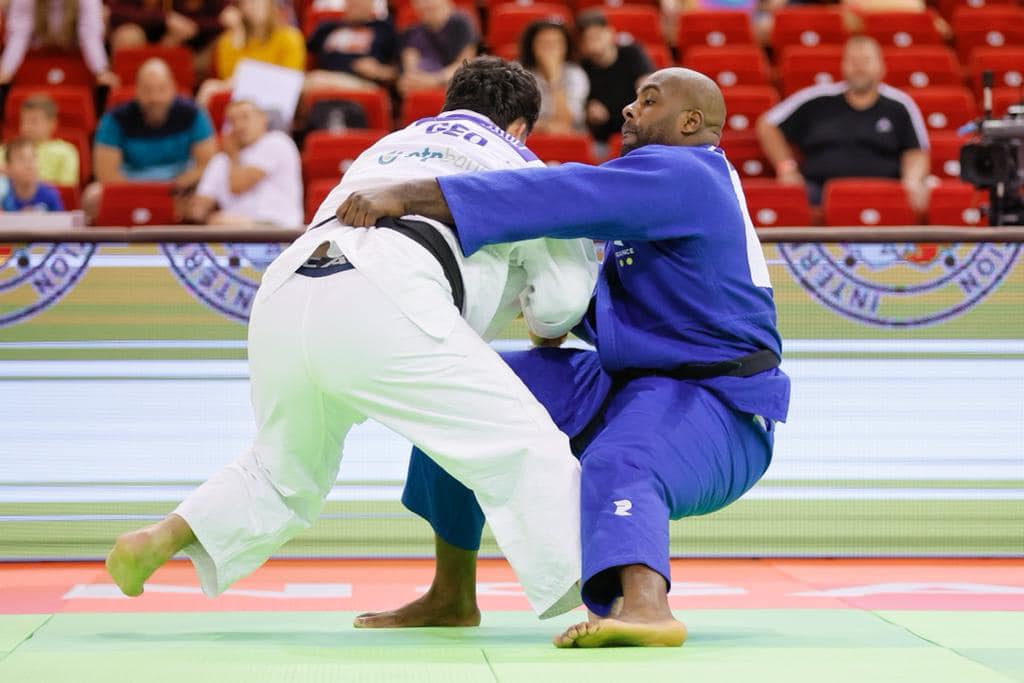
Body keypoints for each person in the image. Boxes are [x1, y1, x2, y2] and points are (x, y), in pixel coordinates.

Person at [105, 57, 598, 622]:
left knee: (281, 468)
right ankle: (606, 601)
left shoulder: (390, 144)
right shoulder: (520, 161)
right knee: (523, 443)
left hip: (290, 288)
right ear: (519, 127)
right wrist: (535, 310)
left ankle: (163, 537)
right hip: (386, 294)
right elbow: (560, 306)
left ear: (448, 106)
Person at [337, 66, 789, 649]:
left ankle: (647, 606)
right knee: (457, 391)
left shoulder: (690, 173)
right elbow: (650, 309)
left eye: (647, 102)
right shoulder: (661, 189)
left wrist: (411, 192)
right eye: (632, 98)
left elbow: (559, 194)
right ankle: (451, 595)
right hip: (623, 383)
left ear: (691, 123)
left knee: (622, 459)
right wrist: (568, 317)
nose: (628, 109)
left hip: (719, 404)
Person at [755, 35, 930, 212]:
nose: (859, 67)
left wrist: (912, 180)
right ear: (843, 65)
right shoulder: (817, 99)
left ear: (881, 66)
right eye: (853, 61)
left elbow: (916, 152)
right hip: (819, 194)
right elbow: (768, 124)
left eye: (866, 61)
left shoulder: (900, 105)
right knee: (789, 200)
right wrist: (786, 169)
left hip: (885, 195)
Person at [84, 58, 217, 221]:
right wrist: (145, 196)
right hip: (129, 189)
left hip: (179, 189)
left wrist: (178, 186)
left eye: (161, 89)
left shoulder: (194, 114)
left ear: (172, 88)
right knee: (92, 196)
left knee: (205, 199)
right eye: (148, 90)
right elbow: (106, 174)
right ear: (137, 90)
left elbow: (207, 165)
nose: (155, 98)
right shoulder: (114, 119)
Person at [189, 99, 303, 226]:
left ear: (262, 119)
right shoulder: (220, 160)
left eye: (245, 117)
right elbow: (198, 210)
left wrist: (233, 156)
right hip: (234, 231)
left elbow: (238, 185)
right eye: (232, 121)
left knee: (221, 223)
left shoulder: (276, 141)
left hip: (278, 227)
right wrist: (195, 207)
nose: (239, 125)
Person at [197, 0, 306, 106]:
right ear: (239, 8)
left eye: (259, 1)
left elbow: (288, 78)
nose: (254, 6)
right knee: (209, 87)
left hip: (276, 97)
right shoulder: (228, 40)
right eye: (247, 2)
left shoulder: (290, 37)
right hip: (239, 98)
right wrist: (237, 34)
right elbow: (227, 76)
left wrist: (246, 80)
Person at [0, 0, 118, 87]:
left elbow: (90, 34)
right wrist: (6, 70)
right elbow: (19, 34)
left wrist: (100, 71)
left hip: (74, 50)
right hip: (39, 50)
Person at [577, 11, 653, 144]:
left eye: (597, 36)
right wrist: (588, 109)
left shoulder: (632, 54)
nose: (593, 43)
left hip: (638, 127)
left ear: (610, 33)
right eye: (587, 38)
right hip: (604, 138)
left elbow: (647, 86)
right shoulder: (581, 67)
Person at [305, 0, 399, 92]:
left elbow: (397, 72)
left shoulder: (383, 29)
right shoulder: (327, 27)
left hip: (362, 83)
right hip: (323, 77)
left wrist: (379, 71)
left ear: (372, 4)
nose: (356, 3)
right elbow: (304, 53)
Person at [519, 20, 589, 134]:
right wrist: (545, 126)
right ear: (532, 46)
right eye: (544, 43)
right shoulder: (519, 74)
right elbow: (516, 123)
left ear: (566, 47)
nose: (550, 48)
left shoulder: (575, 74)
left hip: (568, 139)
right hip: (530, 139)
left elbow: (565, 122)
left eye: (556, 43)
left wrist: (553, 77)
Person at [397, 0, 477, 95]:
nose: (426, 4)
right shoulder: (414, 32)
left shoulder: (462, 23)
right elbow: (410, 71)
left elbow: (465, 63)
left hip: (453, 84)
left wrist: (435, 80)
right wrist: (417, 80)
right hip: (423, 86)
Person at [4, 93, 80, 186]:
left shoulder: (66, 151)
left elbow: (66, 188)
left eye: (34, 121)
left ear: (52, 123)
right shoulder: (6, 149)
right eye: (24, 121)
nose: (27, 126)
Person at [1, 137, 64, 211]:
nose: (29, 165)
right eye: (21, 159)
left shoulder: (50, 195)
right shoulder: (2, 194)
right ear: (8, 167)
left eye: (33, 158)